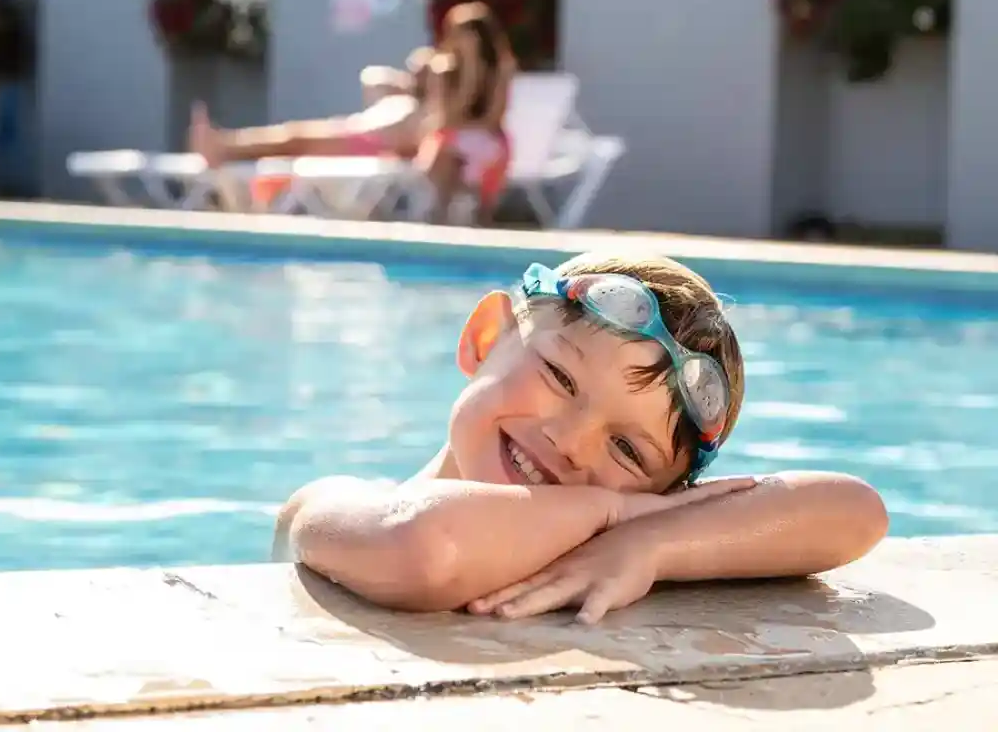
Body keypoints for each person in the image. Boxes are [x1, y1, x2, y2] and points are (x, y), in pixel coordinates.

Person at [274, 253, 888, 622]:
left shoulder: (634, 536)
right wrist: (614, 508)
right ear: (486, 337)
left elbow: (856, 511)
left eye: (627, 450)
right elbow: (425, 548)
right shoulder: (328, 503)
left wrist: (655, 544)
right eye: (559, 375)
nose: (571, 440)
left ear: (667, 490)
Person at [189, 47, 435, 164]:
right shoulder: (404, 101)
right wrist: (411, 82)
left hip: (360, 145)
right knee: (291, 134)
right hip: (353, 135)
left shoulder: (426, 113)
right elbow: (372, 77)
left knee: (292, 139)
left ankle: (225, 148)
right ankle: (224, 143)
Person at [417, 2, 516, 225]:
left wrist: (478, 70)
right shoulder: (442, 69)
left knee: (465, 149)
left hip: (487, 140)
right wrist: (469, 78)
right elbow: (446, 119)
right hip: (451, 140)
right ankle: (439, 218)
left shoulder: (501, 71)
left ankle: (477, 218)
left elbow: (493, 120)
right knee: (447, 152)